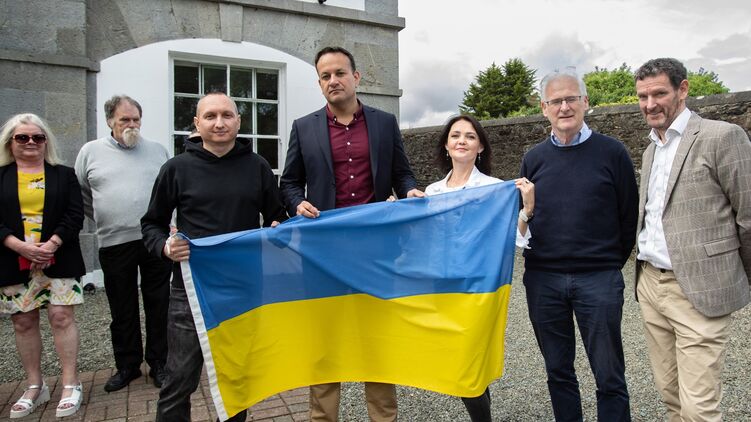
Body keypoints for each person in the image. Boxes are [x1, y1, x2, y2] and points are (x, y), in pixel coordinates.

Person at [280, 46, 423, 422]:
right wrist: (297, 203)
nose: (333, 81)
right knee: (325, 343)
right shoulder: (303, 127)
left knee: (376, 341)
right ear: (319, 83)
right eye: (325, 76)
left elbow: (402, 173)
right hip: (322, 254)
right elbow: (289, 182)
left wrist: (409, 190)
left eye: (340, 73)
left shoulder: (384, 123)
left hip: (376, 253)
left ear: (356, 77)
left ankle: (384, 418)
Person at [141, 91, 287, 422]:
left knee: (235, 379)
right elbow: (151, 224)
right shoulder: (176, 169)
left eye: (226, 115)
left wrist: (280, 229)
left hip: (242, 290)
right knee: (179, 379)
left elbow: (277, 216)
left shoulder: (257, 167)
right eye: (210, 116)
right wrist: (166, 246)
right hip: (190, 290)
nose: (219, 123)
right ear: (196, 123)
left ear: (239, 121)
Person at [633, 58, 751, 421]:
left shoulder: (722, 136)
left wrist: (739, 277)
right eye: (642, 96)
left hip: (700, 288)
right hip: (651, 284)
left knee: (698, 408)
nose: (650, 104)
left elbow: (748, 216)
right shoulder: (651, 149)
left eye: (659, 93)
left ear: (682, 89)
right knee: (671, 396)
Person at [519, 68, 638, 421]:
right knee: (558, 372)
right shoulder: (533, 159)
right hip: (543, 279)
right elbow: (524, 216)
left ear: (585, 102)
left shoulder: (612, 152)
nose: (564, 107)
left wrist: (606, 263)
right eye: (556, 101)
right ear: (544, 108)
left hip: (598, 278)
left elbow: (628, 215)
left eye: (571, 98)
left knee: (609, 373)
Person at [424, 114, 534, 422]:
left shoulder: (494, 189)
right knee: (464, 363)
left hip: (479, 289)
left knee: (467, 365)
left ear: (480, 146)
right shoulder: (431, 192)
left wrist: (527, 210)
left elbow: (515, 239)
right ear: (446, 145)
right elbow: (423, 241)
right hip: (443, 288)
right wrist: (398, 211)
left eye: (470, 136)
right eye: (455, 135)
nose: (462, 141)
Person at [75, 95, 171, 392]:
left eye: (136, 119)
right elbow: (82, 194)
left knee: (159, 304)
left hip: (155, 240)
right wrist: (106, 217)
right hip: (114, 242)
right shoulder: (90, 152)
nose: (131, 124)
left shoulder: (158, 150)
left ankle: (159, 363)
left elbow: (169, 191)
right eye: (124, 119)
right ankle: (127, 366)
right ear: (110, 121)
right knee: (122, 306)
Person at [0, 113, 86, 418]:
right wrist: (18, 245)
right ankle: (35, 386)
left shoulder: (64, 175)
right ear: (10, 143)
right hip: (13, 259)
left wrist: (52, 243)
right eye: (22, 137)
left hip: (59, 256)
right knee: (23, 322)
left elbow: (75, 214)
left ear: (46, 141)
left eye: (38, 137)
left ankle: (70, 383)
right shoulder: (1, 176)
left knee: (61, 317)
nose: (31, 142)